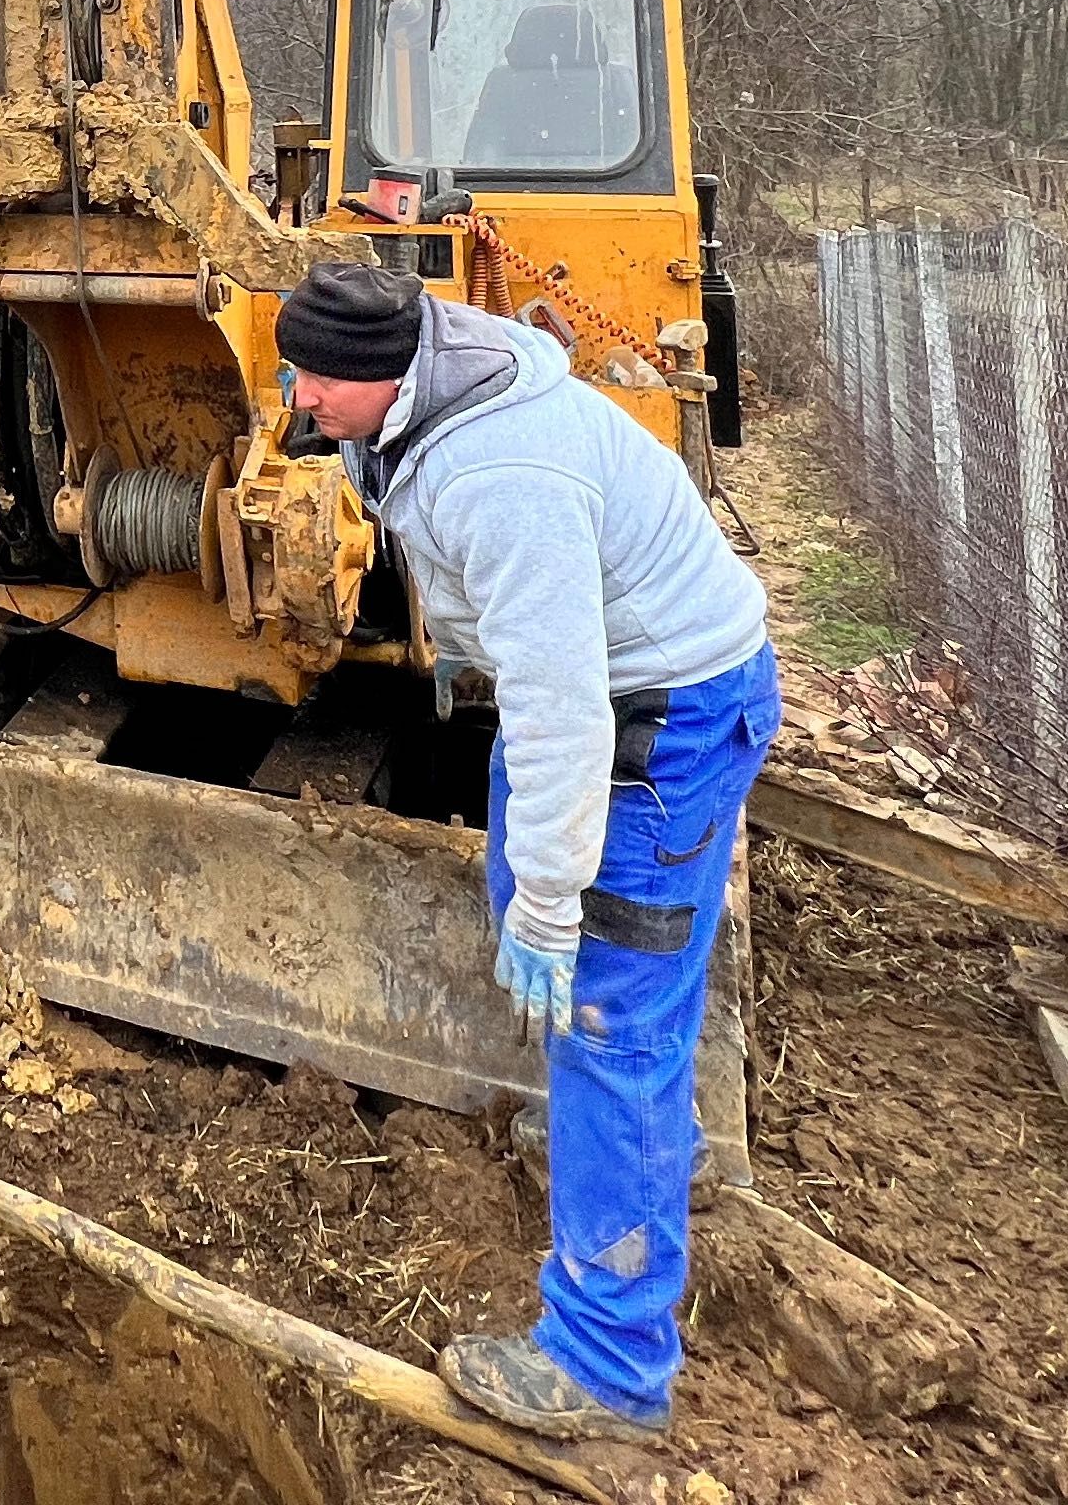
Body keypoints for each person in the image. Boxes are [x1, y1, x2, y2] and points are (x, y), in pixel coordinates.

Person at [277, 256, 779, 1446]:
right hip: (623, 686)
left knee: (609, 999)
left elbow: (565, 709)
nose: (296, 399)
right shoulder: (430, 371)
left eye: (313, 382)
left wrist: (556, 906)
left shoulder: (506, 475)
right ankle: (640, 1151)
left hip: (662, 724)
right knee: (548, 907)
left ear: (383, 374)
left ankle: (609, 1363)